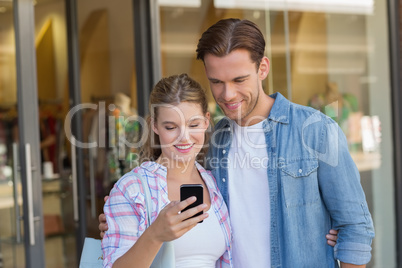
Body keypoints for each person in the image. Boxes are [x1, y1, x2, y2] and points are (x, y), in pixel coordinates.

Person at [99, 18, 371, 266]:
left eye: (239, 79)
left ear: (262, 68)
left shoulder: (315, 131)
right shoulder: (214, 140)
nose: (228, 94)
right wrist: (124, 222)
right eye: (216, 81)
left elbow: (355, 230)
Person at [101, 74, 233, 267]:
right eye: (171, 127)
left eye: (193, 125)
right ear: (155, 126)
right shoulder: (131, 188)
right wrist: (155, 235)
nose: (184, 138)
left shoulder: (215, 182)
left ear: (206, 121)